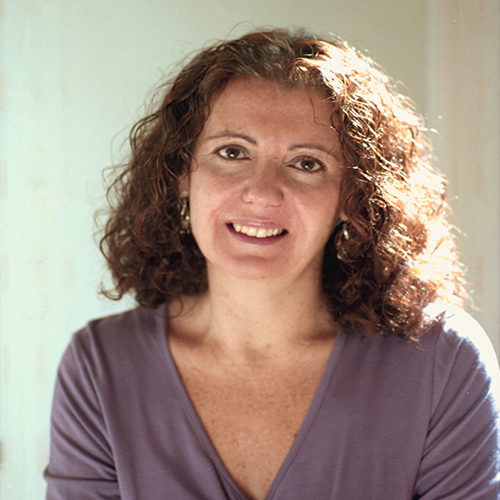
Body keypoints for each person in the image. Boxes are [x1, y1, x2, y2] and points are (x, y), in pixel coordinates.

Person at [44, 29, 500, 499]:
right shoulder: (100, 368)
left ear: (354, 196)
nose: (262, 193)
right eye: (232, 152)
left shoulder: (443, 362)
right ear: (181, 172)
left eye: (307, 163)